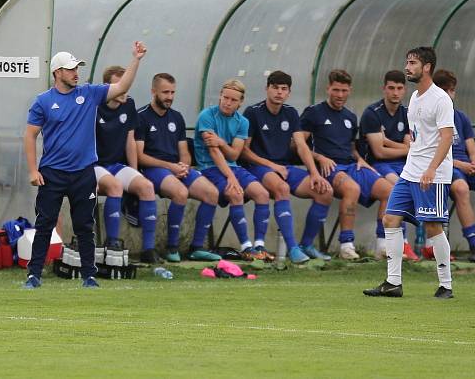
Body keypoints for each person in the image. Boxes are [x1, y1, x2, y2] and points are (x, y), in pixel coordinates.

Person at [23, 42, 146, 289]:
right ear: (57, 72)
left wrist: (136, 59)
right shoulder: (43, 101)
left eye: (77, 67)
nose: (75, 72)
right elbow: (30, 135)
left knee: (84, 226)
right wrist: (33, 170)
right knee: (45, 223)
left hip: (83, 173)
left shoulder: (90, 93)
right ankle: (34, 275)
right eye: (70, 69)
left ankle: (89, 276)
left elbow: (122, 86)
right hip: (52, 173)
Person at [363, 46, 455, 299]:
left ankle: (446, 285)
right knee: (390, 219)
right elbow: (416, 137)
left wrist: (432, 168)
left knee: (433, 226)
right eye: (407, 62)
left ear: (426, 67)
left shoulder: (440, 99)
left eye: (413, 63)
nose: (408, 67)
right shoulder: (414, 97)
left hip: (431, 174)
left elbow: (447, 138)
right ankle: (393, 283)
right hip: (410, 171)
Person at [194, 79, 297, 262]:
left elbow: (234, 155)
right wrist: (231, 176)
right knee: (236, 194)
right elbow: (214, 152)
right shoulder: (206, 116)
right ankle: (246, 247)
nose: (227, 102)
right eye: (225, 97)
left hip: (232, 167)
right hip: (209, 168)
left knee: (262, 194)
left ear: (240, 102)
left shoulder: (242, 122)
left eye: (233, 100)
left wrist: (221, 142)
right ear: (220, 96)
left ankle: (259, 245)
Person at [299, 69, 393, 260]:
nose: (340, 95)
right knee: (352, 189)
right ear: (328, 89)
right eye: (336, 90)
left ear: (349, 90)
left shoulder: (350, 117)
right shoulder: (313, 112)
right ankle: (346, 245)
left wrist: (360, 159)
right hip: (329, 168)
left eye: (344, 91)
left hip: (352, 165)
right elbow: (297, 144)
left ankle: (383, 246)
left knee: (390, 191)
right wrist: (320, 157)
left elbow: (351, 147)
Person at [241, 70, 334, 261]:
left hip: (284, 168)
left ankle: (306, 245)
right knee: (282, 188)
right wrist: (271, 165)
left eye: (284, 89)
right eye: (275, 88)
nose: (279, 93)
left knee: (325, 191)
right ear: (267, 89)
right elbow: (244, 150)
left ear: (289, 92)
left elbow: (301, 146)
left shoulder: (291, 113)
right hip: (258, 167)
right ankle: (292, 250)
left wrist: (315, 173)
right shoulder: (253, 112)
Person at [135, 73, 221, 262]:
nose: (170, 97)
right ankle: (172, 247)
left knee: (212, 193)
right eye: (165, 92)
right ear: (153, 91)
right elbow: (140, 157)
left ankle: (197, 248)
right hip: (153, 169)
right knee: (180, 192)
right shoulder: (141, 117)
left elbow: (183, 151)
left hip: (176, 168)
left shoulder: (177, 117)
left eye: (173, 92)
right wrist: (171, 167)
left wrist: (184, 166)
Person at [431, 69, 475, 262]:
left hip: (468, 167)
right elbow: (432, 154)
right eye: (444, 90)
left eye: (451, 90)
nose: (449, 94)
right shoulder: (431, 117)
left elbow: (473, 148)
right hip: (447, 167)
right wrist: (462, 165)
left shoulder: (460, 117)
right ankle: (474, 245)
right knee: (461, 188)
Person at [94, 65, 159, 263]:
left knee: (147, 186)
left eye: (126, 85)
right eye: (120, 86)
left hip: (116, 165)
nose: (124, 90)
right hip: (94, 165)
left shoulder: (128, 104)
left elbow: (130, 140)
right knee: (114, 186)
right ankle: (111, 243)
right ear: (108, 87)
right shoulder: (94, 105)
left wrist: (134, 170)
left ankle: (149, 250)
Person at [359, 70, 419, 261]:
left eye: (399, 88)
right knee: (397, 188)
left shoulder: (408, 113)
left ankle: (424, 244)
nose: (395, 92)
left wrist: (389, 142)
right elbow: (379, 152)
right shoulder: (372, 113)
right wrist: (403, 147)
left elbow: (411, 146)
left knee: (421, 187)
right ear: (384, 88)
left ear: (405, 90)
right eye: (391, 88)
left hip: (403, 164)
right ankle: (385, 245)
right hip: (378, 165)